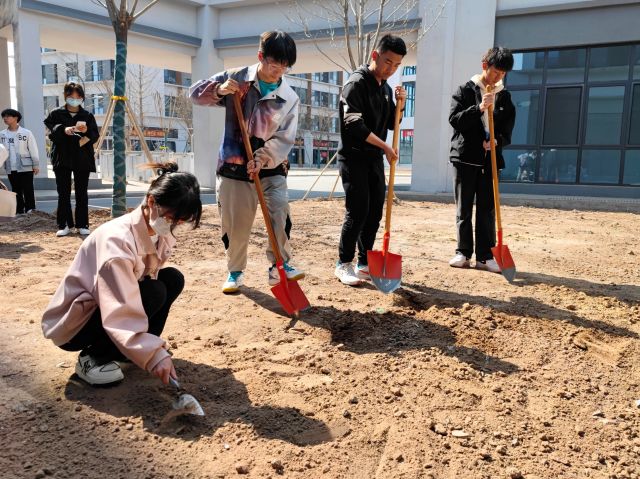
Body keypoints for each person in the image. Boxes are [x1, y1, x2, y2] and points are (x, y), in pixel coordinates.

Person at [41, 162, 202, 386]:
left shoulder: (159, 231)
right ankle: (93, 358)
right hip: (76, 324)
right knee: (154, 291)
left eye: (182, 221)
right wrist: (155, 355)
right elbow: (120, 306)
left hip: (108, 305)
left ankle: (127, 352)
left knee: (172, 279)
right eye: (172, 218)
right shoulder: (117, 242)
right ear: (151, 201)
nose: (175, 225)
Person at [190, 30, 304, 294]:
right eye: (275, 64)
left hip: (272, 167)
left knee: (279, 213)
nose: (280, 71)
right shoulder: (237, 78)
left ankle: (280, 265)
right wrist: (219, 90)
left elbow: (286, 138)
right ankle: (235, 272)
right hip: (233, 166)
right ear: (260, 57)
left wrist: (263, 158)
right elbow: (195, 94)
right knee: (235, 223)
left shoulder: (289, 97)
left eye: (285, 66)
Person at [333, 34, 407, 286]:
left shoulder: (385, 89)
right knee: (358, 209)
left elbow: (391, 124)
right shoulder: (356, 84)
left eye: (397, 65)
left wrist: (401, 106)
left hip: (374, 159)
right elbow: (353, 123)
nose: (391, 68)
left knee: (375, 209)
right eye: (388, 62)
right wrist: (385, 146)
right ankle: (343, 263)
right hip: (353, 158)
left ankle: (365, 262)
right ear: (375, 55)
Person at [448, 47, 516, 273]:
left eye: (503, 74)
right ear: (485, 64)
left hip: (490, 161)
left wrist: (495, 142)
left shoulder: (504, 97)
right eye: (496, 71)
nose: (498, 77)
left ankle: (486, 256)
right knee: (464, 208)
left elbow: (507, 132)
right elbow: (455, 120)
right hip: (465, 158)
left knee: (487, 209)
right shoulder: (465, 90)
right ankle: (463, 252)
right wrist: (478, 108)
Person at [44, 82, 99, 237]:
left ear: (82, 98)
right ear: (65, 96)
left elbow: (95, 135)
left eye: (78, 97)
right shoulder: (56, 114)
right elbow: (50, 133)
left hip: (82, 158)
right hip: (62, 157)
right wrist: (63, 129)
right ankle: (65, 225)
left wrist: (86, 132)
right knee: (63, 192)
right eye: (71, 97)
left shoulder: (87, 116)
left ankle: (83, 224)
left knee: (82, 192)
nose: (74, 99)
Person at [0, 108, 40, 215]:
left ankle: (31, 210)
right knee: (16, 190)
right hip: (10, 167)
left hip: (25, 166)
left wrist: (36, 165)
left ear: (16, 118)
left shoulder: (26, 133)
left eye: (8, 116)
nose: (5, 118)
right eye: (4, 116)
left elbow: (33, 149)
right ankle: (19, 211)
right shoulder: (2, 134)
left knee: (28, 189)